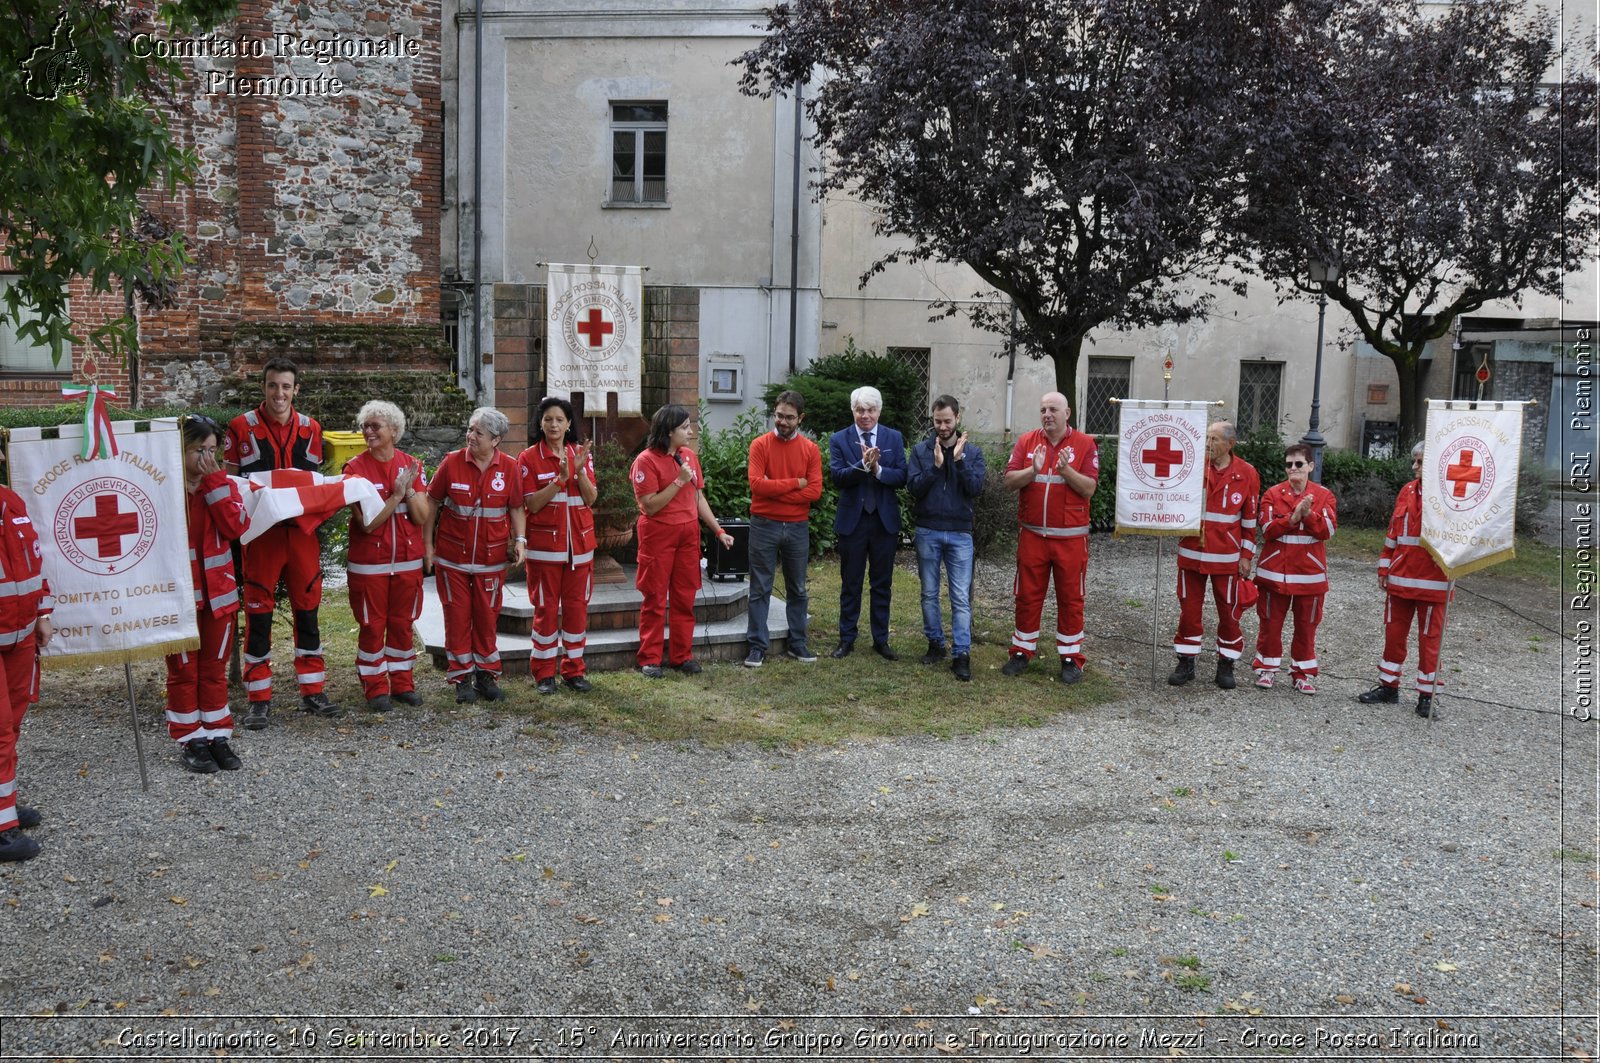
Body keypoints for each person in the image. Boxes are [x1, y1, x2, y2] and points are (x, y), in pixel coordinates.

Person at [224, 358, 337, 728]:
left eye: (286, 387)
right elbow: (229, 486)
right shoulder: (241, 427)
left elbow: (317, 482)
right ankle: (259, 698)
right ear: (263, 387)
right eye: (273, 385)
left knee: (309, 612)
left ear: (296, 390)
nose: (279, 393)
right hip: (261, 536)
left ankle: (312, 690)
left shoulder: (312, 428)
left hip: (301, 535)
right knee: (258, 615)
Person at [422, 407, 525, 703]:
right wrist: (427, 546)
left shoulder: (510, 467)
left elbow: (516, 506)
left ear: (496, 440)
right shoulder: (451, 463)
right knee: (456, 617)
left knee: (486, 618)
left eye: (478, 432)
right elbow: (431, 502)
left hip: (490, 562)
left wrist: (520, 540)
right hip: (452, 559)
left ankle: (486, 675)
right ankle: (461, 677)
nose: (470, 436)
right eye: (470, 429)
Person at [168, 416, 249, 773]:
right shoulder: (163, 488)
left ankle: (217, 733)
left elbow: (235, 526)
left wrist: (215, 481)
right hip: (180, 596)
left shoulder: (221, 484)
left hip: (219, 595)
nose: (207, 458)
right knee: (184, 671)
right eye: (199, 450)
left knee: (214, 668)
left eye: (213, 451)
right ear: (180, 450)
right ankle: (191, 738)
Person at [1001, 391, 1099, 684]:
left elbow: (1089, 489)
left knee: (1071, 598)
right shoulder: (1026, 442)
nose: (1047, 414)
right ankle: (1021, 651)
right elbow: (1008, 481)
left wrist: (1067, 471)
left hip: (1070, 539)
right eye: (1043, 409)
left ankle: (1070, 658)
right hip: (1032, 536)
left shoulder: (1085, 444)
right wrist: (1032, 470)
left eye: (1053, 409)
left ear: (1067, 413)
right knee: (1027, 596)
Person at [631, 405, 735, 678]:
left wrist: (718, 530)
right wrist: (678, 481)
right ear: (668, 432)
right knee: (654, 597)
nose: (690, 431)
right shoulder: (645, 461)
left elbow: (698, 498)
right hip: (658, 535)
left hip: (688, 535)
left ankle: (681, 656)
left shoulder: (688, 456)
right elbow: (650, 506)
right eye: (685, 427)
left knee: (685, 596)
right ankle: (650, 659)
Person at [343, 400, 433, 712]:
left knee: (402, 624)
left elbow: (422, 517)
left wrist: (408, 491)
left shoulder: (412, 465)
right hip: (370, 565)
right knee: (372, 625)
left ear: (394, 431)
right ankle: (374, 686)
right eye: (365, 425)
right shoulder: (354, 469)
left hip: (407, 564)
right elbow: (366, 524)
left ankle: (403, 683)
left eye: (375, 426)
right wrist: (396, 495)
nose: (368, 431)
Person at [1358, 441, 1453, 718]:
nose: (1414, 467)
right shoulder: (1407, 491)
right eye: (1414, 461)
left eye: (1420, 462)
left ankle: (1427, 696)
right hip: (1400, 579)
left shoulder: (1451, 495)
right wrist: (1384, 568)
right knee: (1393, 637)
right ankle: (1388, 687)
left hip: (1435, 583)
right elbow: (1393, 533)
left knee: (1430, 642)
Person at [1168, 421, 1260, 690]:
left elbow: (1250, 519)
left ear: (1230, 444)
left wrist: (1246, 555)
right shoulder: (1193, 467)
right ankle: (1186, 661)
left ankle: (1226, 664)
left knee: (1230, 613)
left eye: (1214, 439)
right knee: (1189, 612)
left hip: (1226, 556)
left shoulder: (1247, 473)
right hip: (1192, 552)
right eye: (1206, 437)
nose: (1208, 443)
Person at [519, 397, 598, 695]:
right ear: (540, 423)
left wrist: (578, 471)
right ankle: (543, 674)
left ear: (568, 424)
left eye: (559, 419)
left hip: (579, 548)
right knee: (546, 611)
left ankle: (574, 671)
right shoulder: (527, 458)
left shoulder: (581, 454)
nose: (553, 424)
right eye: (548, 419)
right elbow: (531, 504)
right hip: (544, 551)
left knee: (577, 611)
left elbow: (590, 499)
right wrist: (559, 480)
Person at [907, 395, 985, 681]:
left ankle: (961, 654)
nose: (942, 426)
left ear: (957, 418)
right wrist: (936, 467)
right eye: (937, 421)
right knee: (929, 593)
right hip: (928, 529)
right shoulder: (921, 451)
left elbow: (975, 488)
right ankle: (936, 644)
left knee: (960, 598)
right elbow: (913, 488)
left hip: (960, 533)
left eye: (947, 421)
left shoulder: (972, 452)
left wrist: (959, 461)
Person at [743, 390, 823, 668]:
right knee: (760, 586)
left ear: (801, 418)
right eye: (779, 416)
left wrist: (774, 488)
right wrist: (794, 483)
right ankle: (756, 645)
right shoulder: (759, 445)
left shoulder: (811, 450)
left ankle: (797, 642)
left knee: (798, 587)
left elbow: (814, 491)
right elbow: (756, 485)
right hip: (764, 524)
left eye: (789, 417)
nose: (783, 422)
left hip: (797, 526)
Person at [828, 386, 907, 660]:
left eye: (871, 410)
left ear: (879, 411)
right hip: (853, 521)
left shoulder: (893, 437)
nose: (865, 415)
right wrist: (862, 466)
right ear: (853, 410)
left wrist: (879, 469)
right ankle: (847, 639)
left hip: (884, 521)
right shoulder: (840, 439)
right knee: (851, 582)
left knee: (882, 583)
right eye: (860, 410)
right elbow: (837, 477)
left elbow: (902, 477)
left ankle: (881, 640)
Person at [1252, 442, 1338, 694]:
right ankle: (1266, 668)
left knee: (1306, 627)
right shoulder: (1272, 493)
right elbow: (1267, 530)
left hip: (1309, 576)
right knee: (1270, 624)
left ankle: (1302, 673)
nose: (1293, 469)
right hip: (1273, 573)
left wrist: (1308, 515)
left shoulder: (1325, 495)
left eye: (1298, 464)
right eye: (1289, 464)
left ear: (1311, 466)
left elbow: (1328, 531)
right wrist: (1293, 518)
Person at [0, 446, 52, 861]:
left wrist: (43, 611)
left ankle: (4, 805)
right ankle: (1, 828)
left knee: (13, 721)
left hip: (19, 635)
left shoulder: (10, 500)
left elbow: (35, 560)